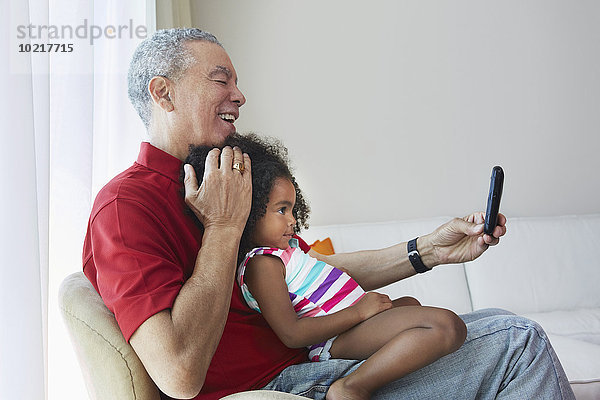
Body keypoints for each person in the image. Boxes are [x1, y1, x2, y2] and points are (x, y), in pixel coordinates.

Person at [82, 27, 575, 400]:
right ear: (163, 93)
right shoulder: (127, 208)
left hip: (314, 362)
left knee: (490, 323)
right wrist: (224, 229)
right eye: (220, 79)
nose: (239, 94)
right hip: (287, 386)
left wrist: (426, 251)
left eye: (237, 80)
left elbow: (298, 273)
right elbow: (179, 374)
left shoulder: (222, 177)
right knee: (516, 340)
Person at [185, 134, 468, 400]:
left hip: (353, 322)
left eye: (293, 210)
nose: (293, 220)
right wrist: (359, 311)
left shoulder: (288, 250)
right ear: (249, 211)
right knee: (447, 325)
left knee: (411, 304)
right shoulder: (261, 264)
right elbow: (292, 334)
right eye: (281, 210)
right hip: (335, 339)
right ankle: (351, 387)